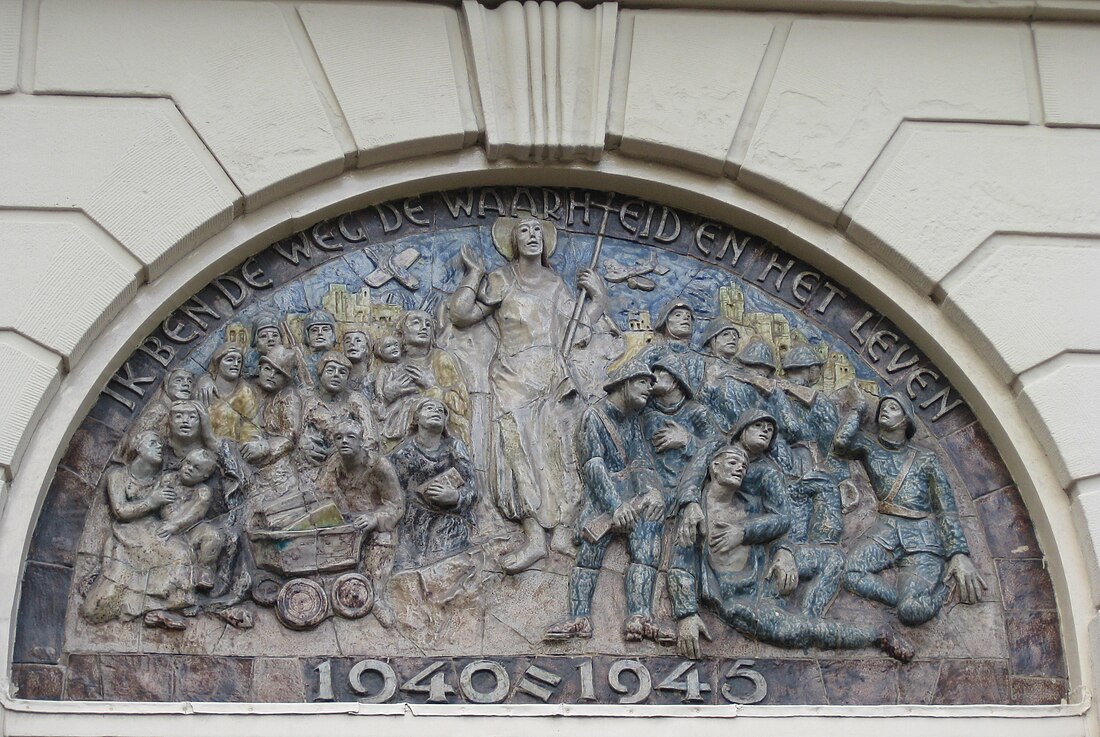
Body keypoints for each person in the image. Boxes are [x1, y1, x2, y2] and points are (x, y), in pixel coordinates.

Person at [449, 216, 608, 573]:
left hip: (552, 376)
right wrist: (474, 274)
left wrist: (599, 297)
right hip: (513, 378)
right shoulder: (503, 279)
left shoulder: (555, 284)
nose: (533, 235)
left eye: (538, 230)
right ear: (513, 241)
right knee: (517, 453)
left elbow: (578, 330)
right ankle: (534, 538)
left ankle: (564, 532)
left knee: (559, 452)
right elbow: (460, 315)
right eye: (525, 230)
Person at [668, 442, 914, 662]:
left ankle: (809, 615)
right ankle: (876, 636)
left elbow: (775, 530)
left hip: (766, 571)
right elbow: (681, 566)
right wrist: (686, 615)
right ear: (714, 466)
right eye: (733, 463)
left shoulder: (749, 503)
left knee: (833, 558)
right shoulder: (695, 514)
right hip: (740, 600)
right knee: (797, 632)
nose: (740, 469)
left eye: (744, 466)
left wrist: (781, 552)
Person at [544, 361, 672, 644]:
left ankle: (639, 617)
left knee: (647, 552)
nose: (649, 390)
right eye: (642, 383)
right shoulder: (595, 416)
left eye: (651, 385)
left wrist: (651, 492)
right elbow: (593, 466)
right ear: (624, 382)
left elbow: (640, 460)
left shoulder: (632, 421)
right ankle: (579, 617)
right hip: (604, 499)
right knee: (589, 557)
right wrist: (615, 507)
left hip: (634, 499)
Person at [834, 392, 987, 626]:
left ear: (906, 419)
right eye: (883, 407)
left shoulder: (927, 459)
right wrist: (857, 409)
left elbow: (945, 507)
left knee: (912, 612)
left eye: (893, 408)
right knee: (850, 574)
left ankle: (943, 595)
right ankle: (901, 600)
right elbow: (840, 444)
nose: (885, 410)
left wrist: (958, 554)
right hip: (886, 530)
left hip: (923, 539)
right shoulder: (869, 446)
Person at [80, 432, 197, 630]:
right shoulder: (118, 476)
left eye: (160, 444)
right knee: (94, 610)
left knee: (181, 554)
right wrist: (152, 501)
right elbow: (120, 510)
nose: (159, 447)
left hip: (154, 533)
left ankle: (160, 610)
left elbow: (170, 513)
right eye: (153, 443)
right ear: (138, 447)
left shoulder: (163, 480)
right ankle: (143, 605)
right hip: (127, 537)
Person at [316, 419, 404, 626]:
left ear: (361, 441)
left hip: (374, 523)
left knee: (384, 539)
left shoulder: (380, 466)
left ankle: (377, 597)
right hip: (344, 523)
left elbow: (396, 505)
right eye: (338, 437)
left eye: (350, 437)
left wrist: (374, 518)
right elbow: (322, 496)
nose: (344, 441)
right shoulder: (333, 465)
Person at [390, 398, 478, 569]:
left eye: (441, 410)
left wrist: (455, 497)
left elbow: (472, 488)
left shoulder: (455, 448)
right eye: (429, 408)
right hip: (412, 524)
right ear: (416, 419)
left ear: (446, 421)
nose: (436, 412)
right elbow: (391, 492)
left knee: (449, 565)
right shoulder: (403, 454)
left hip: (449, 520)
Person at [376, 310, 469, 451]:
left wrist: (431, 385)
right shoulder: (392, 364)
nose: (424, 327)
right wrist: (387, 395)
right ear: (402, 333)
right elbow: (377, 404)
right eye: (416, 323)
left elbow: (462, 404)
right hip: (394, 431)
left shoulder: (440, 359)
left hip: (431, 437)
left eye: (428, 324)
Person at [240, 345, 308, 530]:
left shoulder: (289, 396)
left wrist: (265, 447)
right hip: (243, 465)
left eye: (278, 373)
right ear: (259, 369)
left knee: (279, 521)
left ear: (285, 379)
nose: (271, 375)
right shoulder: (248, 388)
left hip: (276, 473)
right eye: (267, 369)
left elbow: (289, 436)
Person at [154, 447, 226, 591]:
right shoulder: (168, 479)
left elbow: (195, 513)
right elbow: (162, 505)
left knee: (213, 536)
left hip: (190, 528)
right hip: (163, 524)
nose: (189, 469)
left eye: (196, 468)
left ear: (205, 476)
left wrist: (176, 525)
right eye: (188, 463)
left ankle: (204, 571)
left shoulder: (203, 492)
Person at [697, 318, 758, 434]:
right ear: (712, 340)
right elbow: (697, 404)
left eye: (735, 335)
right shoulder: (701, 364)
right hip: (717, 428)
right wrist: (710, 383)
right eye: (726, 334)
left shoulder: (746, 372)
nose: (733, 338)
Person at [197, 343, 260, 442]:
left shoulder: (246, 393)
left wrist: (253, 442)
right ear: (217, 363)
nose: (235, 364)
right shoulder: (204, 389)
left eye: (239, 361)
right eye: (230, 360)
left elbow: (253, 427)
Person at [638, 299, 704, 393]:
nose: (685, 318)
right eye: (678, 315)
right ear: (665, 321)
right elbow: (635, 376)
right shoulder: (654, 350)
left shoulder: (698, 358)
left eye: (688, 316)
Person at [296, 309, 338, 387]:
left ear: (333, 334)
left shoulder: (341, 363)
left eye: (325, 329)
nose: (320, 333)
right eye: (314, 330)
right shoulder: (300, 364)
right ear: (307, 335)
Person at [341, 326, 373, 394]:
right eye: (347, 341)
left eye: (358, 340)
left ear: (367, 348)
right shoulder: (339, 380)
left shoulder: (374, 379)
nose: (351, 343)